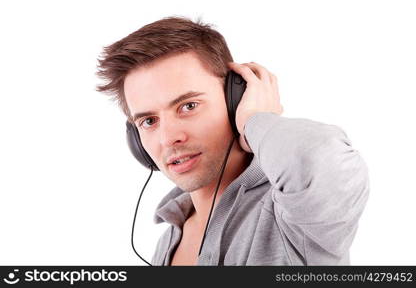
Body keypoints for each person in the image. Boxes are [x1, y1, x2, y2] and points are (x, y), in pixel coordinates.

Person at [96, 16, 369, 266]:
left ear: (234, 99)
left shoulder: (293, 216)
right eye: (149, 121)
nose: (168, 138)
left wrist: (255, 121)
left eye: (189, 106)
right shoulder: (168, 239)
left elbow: (322, 155)